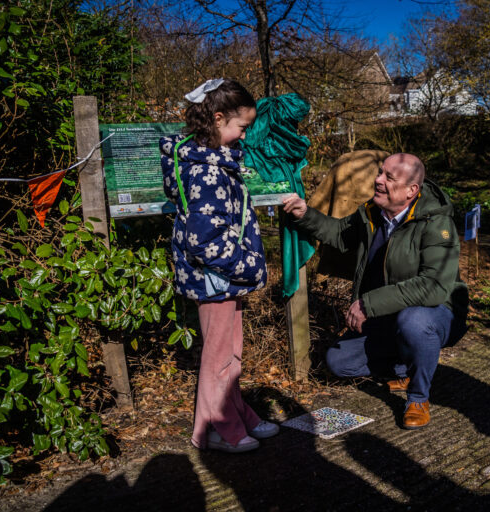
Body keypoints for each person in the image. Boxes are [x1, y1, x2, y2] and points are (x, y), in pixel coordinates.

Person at [282, 153, 468, 429]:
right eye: (380, 173)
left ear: (411, 190)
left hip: (436, 313)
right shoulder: (370, 213)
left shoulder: (436, 224)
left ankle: (417, 396)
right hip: (389, 315)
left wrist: (368, 304)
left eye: (388, 178)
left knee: (414, 323)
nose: (377, 180)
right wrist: (305, 214)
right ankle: (406, 365)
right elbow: (338, 233)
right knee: (338, 361)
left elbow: (434, 288)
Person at [160, 78, 279, 453]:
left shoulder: (212, 162)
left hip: (223, 279)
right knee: (219, 360)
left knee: (229, 354)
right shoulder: (207, 171)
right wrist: (245, 265)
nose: (244, 136)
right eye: (241, 127)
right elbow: (203, 238)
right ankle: (219, 429)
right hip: (218, 277)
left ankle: (234, 415)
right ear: (217, 118)